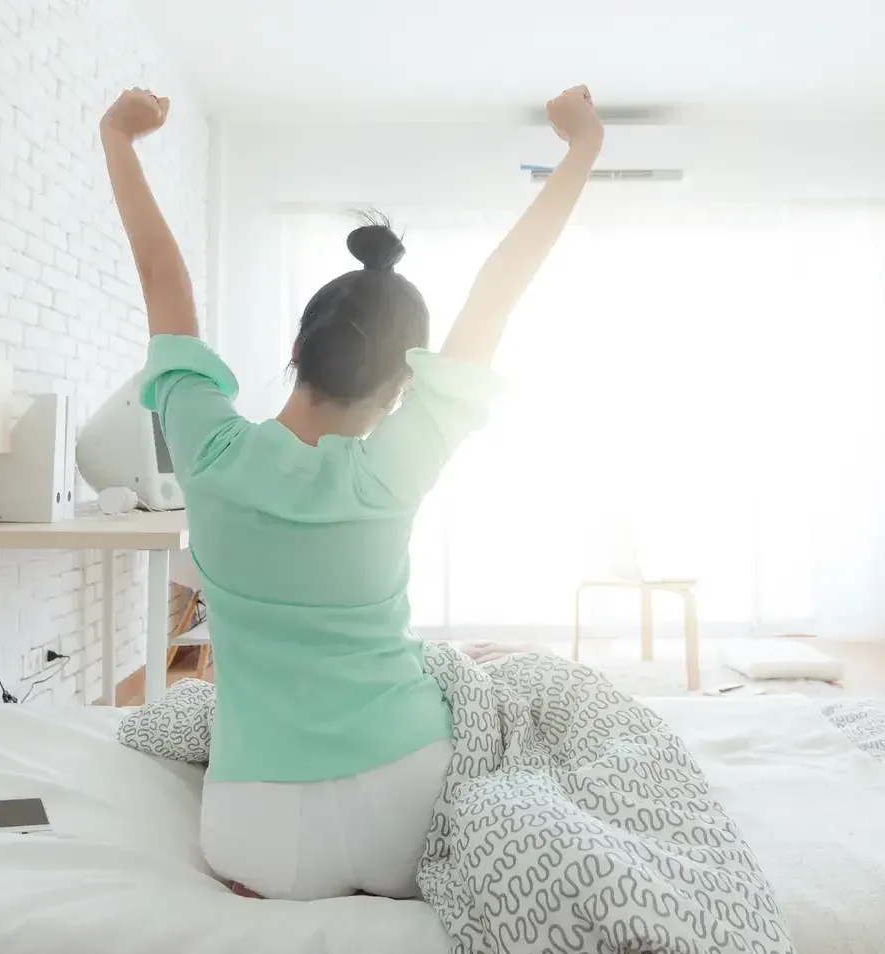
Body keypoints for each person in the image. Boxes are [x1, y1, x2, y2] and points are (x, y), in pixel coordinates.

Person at [100, 84, 603, 901]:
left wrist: (119, 135)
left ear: (296, 347)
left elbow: (160, 275)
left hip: (254, 836)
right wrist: (581, 147)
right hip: (406, 806)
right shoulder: (394, 463)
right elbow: (498, 289)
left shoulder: (210, 448)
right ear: (405, 386)